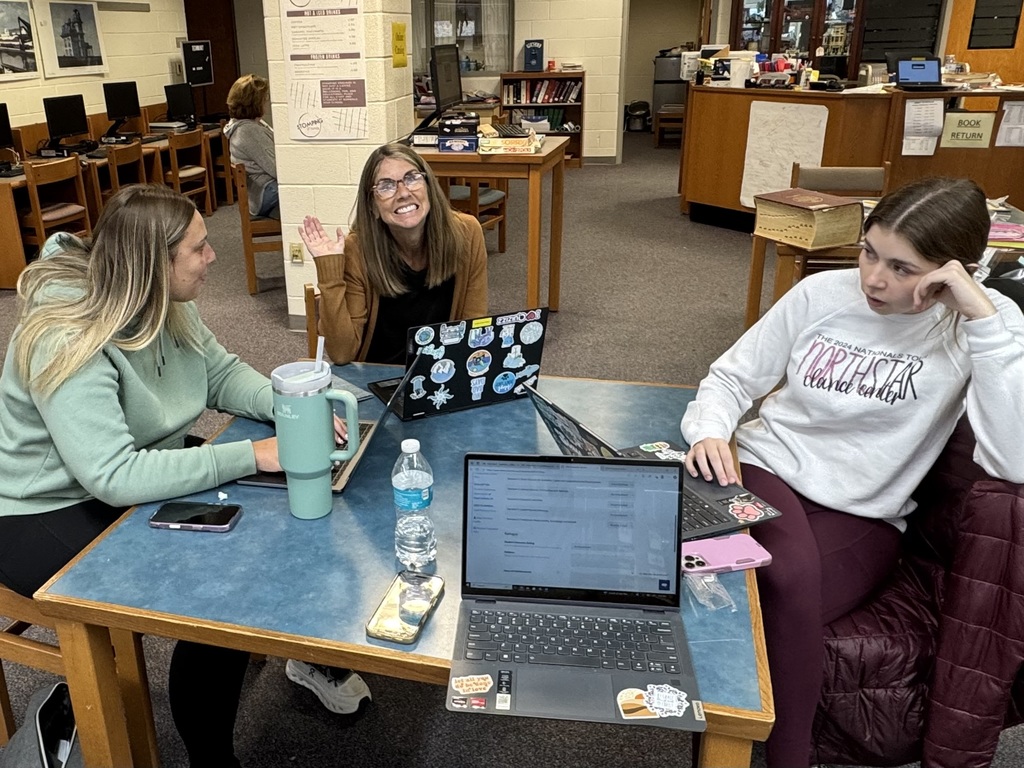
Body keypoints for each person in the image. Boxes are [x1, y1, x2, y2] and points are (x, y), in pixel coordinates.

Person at [0, 184, 366, 767]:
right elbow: (113, 475)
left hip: (134, 467)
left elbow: (220, 374)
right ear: (153, 263)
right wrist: (257, 454)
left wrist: (290, 407)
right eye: (199, 248)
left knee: (264, 535)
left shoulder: (165, 300)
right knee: (211, 598)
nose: (212, 254)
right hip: (44, 507)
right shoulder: (65, 335)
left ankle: (281, 654)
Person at [680, 177, 1024, 768]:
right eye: (869, 251)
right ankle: (790, 758)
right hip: (767, 472)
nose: (874, 278)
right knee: (782, 578)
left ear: (955, 271)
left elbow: (1010, 458)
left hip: (866, 513)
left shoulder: (987, 324)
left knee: (753, 598)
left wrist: (981, 321)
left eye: (902, 267)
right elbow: (731, 378)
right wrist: (711, 429)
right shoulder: (820, 294)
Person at [299, 142, 489, 364]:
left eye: (412, 178)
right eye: (386, 186)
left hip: (441, 373)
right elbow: (342, 354)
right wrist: (329, 273)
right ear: (372, 206)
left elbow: (474, 326)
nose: (403, 193)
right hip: (377, 378)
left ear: (429, 186)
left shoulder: (467, 233)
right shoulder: (357, 250)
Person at [225, 74, 278, 219]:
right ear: (255, 102)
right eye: (264, 99)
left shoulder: (246, 125)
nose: (266, 102)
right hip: (265, 192)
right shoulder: (249, 131)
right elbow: (276, 169)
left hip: (261, 190)